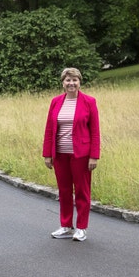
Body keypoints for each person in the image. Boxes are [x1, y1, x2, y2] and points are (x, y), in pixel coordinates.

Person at [42, 67, 100, 242]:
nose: (71, 83)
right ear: (63, 83)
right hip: (60, 154)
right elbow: (50, 129)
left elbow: (95, 131)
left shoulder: (89, 102)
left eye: (74, 80)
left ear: (79, 82)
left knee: (82, 191)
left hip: (81, 155)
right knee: (64, 191)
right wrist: (47, 154)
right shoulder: (56, 102)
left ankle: (81, 228)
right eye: (68, 80)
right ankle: (66, 225)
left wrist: (94, 156)